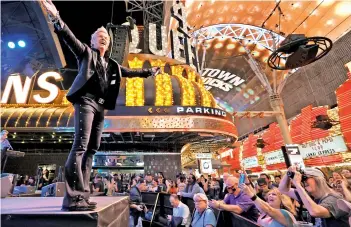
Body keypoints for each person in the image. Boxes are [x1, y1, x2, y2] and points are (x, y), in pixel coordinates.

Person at [41, 0, 159, 212]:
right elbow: (69, 38)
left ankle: (83, 196)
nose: (103, 39)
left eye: (106, 37)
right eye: (99, 37)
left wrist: (149, 72)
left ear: (109, 43)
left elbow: (130, 73)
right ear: (93, 41)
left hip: (100, 107)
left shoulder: (112, 65)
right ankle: (73, 198)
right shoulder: (86, 53)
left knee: (92, 149)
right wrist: (56, 18)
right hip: (85, 101)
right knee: (80, 146)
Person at [279, 166, 349, 227]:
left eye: (306, 178)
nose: (304, 181)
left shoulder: (334, 198)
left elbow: (315, 211)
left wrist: (297, 184)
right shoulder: (309, 196)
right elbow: (283, 189)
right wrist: (288, 174)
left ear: (318, 179)